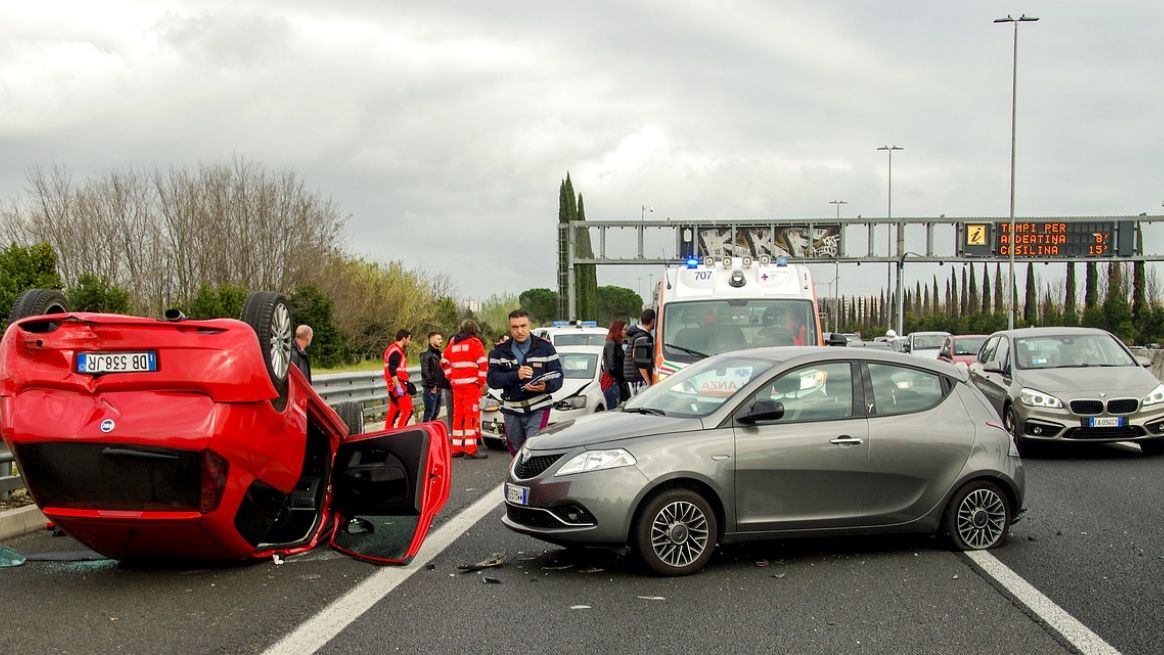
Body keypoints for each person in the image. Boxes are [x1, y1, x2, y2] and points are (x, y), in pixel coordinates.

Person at [487, 309, 563, 455]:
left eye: (523, 326)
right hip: (512, 409)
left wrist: (545, 386)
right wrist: (516, 375)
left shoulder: (545, 348)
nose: (520, 331)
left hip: (539, 407)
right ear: (510, 328)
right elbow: (492, 380)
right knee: (516, 451)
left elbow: (558, 376)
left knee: (533, 446)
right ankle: (519, 476)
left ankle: (535, 477)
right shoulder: (499, 351)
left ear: (530, 325)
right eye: (515, 327)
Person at [441, 320, 489, 459]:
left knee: (458, 417)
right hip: (471, 386)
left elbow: (443, 362)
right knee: (471, 417)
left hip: (457, 386)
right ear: (474, 329)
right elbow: (483, 364)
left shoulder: (453, 343)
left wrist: (451, 378)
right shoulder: (475, 343)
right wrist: (480, 382)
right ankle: (470, 449)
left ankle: (456, 448)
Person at [383, 329, 413, 429]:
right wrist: (399, 386)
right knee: (408, 410)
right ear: (404, 339)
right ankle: (401, 432)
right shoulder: (396, 351)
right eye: (409, 339)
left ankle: (387, 433)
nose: (410, 342)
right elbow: (392, 370)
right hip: (397, 386)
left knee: (394, 411)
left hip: (392, 386)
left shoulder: (393, 349)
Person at [622, 308, 656, 394]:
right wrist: (648, 381)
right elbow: (641, 362)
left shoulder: (636, 335)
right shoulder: (643, 338)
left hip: (633, 377)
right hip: (638, 379)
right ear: (653, 321)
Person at [419, 331, 447, 423]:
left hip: (438, 388)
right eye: (438, 339)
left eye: (441, 339)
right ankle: (425, 433)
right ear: (431, 340)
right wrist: (432, 386)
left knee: (435, 413)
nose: (441, 341)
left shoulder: (438, 355)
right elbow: (425, 372)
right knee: (429, 413)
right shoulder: (426, 355)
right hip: (430, 389)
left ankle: (431, 434)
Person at [601, 319, 628, 410]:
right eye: (624, 329)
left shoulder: (616, 344)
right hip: (611, 381)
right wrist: (622, 377)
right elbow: (612, 366)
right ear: (618, 330)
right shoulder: (611, 344)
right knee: (614, 409)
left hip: (616, 381)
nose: (626, 331)